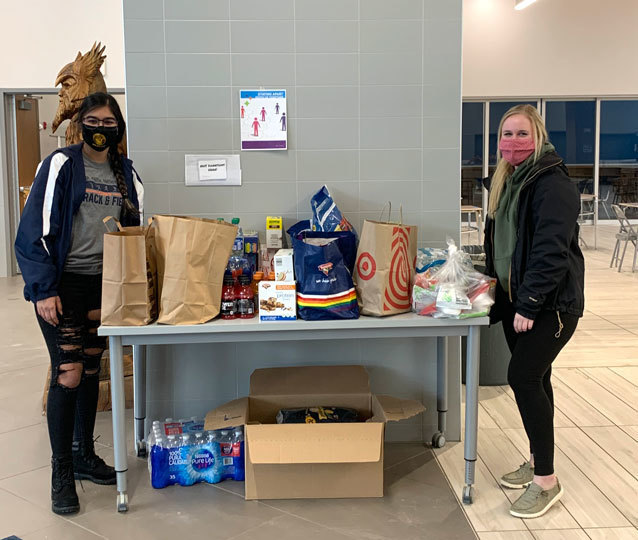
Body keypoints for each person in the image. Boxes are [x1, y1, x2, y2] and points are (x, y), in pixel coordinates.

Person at [15, 92, 144, 515]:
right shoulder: (61, 165)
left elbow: (134, 235)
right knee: (67, 373)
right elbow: (32, 231)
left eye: (109, 123)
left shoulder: (126, 172)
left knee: (91, 369)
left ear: (119, 129)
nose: (101, 129)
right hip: (62, 284)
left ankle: (85, 456)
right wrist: (43, 288)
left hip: (103, 287)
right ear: (80, 124)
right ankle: (62, 470)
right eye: (94, 121)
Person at [483, 104, 584, 519]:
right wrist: (491, 292)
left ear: (538, 137)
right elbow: (501, 246)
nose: (512, 142)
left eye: (521, 134)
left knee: (522, 377)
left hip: (550, 305)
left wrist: (528, 303)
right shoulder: (506, 182)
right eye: (506, 134)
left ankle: (547, 481)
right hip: (515, 300)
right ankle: (537, 458)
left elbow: (551, 251)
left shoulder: (552, 185)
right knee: (538, 379)